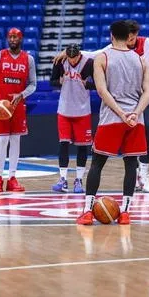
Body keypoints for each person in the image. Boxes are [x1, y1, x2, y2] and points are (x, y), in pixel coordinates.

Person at [56, 20, 149, 192]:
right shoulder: (110, 53)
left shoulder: (148, 46)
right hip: (120, 109)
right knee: (109, 158)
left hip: (139, 103)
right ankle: (130, 187)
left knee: (146, 135)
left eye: (134, 35)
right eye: (130, 35)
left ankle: (143, 176)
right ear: (126, 35)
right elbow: (91, 54)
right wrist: (70, 51)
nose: (132, 38)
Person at [76, 20, 149, 225]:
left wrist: (120, 113)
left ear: (111, 36)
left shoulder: (103, 57)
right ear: (129, 36)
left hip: (112, 118)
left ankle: (87, 211)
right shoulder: (141, 60)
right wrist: (135, 113)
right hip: (136, 121)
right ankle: (126, 212)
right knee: (130, 165)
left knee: (97, 164)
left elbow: (102, 91)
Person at [0, 27, 37, 192]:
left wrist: (22, 94)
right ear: (7, 39)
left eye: (16, 37)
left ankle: (13, 178)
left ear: (21, 39)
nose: (13, 39)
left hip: (18, 106)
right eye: (10, 36)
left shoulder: (28, 59)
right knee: (2, 140)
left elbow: (33, 84)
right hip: (2, 106)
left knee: (15, 140)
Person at [50, 43, 94, 194]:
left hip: (83, 111)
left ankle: (79, 180)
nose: (72, 61)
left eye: (74, 59)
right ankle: (62, 180)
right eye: (70, 58)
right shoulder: (60, 62)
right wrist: (59, 82)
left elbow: (98, 83)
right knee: (63, 145)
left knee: (82, 146)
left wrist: (87, 83)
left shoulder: (89, 63)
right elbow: (52, 82)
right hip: (64, 109)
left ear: (79, 55)